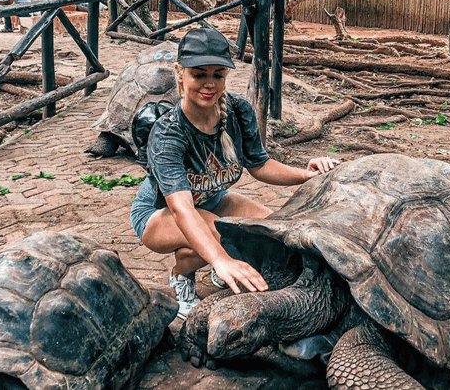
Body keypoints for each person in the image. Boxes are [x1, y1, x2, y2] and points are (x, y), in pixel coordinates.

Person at [130, 27, 339, 319]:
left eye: (218, 75)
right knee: (218, 234)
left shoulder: (238, 110)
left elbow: (260, 165)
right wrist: (220, 260)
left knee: (273, 231)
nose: (209, 84)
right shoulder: (168, 134)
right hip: (158, 212)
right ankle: (180, 276)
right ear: (180, 73)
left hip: (214, 198)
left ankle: (221, 260)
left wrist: (306, 174)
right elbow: (183, 210)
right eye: (199, 74)